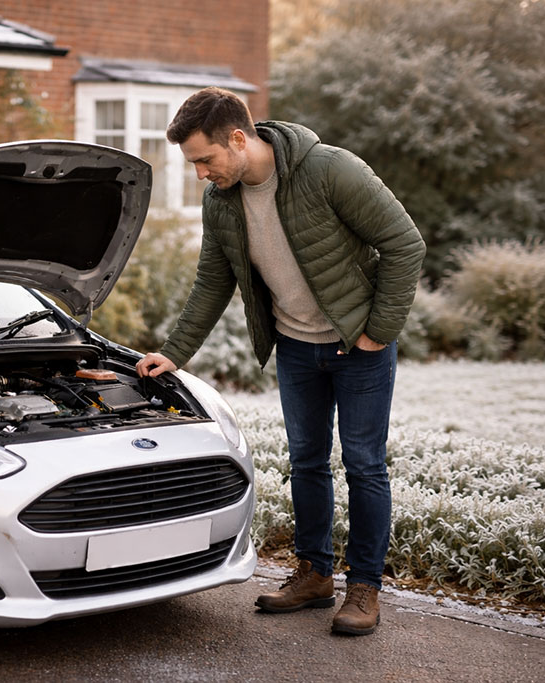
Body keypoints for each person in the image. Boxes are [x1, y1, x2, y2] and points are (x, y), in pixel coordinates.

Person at [136, 87, 425, 636]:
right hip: (295, 348)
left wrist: (377, 333)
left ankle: (365, 586)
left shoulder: (330, 170)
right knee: (307, 462)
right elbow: (212, 282)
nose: (199, 173)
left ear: (239, 139)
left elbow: (405, 244)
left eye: (204, 159)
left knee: (364, 466)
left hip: (356, 347)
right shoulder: (221, 200)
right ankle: (315, 574)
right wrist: (173, 354)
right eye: (193, 163)